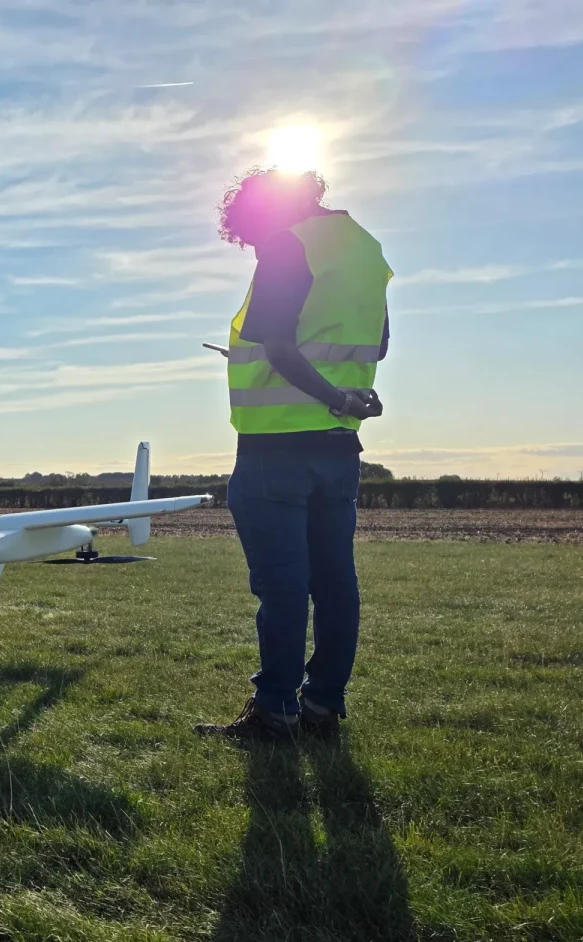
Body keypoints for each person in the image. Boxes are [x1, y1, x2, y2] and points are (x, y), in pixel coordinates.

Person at [196, 168, 391, 741]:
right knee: (335, 581)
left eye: (249, 235)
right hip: (339, 448)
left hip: (275, 448)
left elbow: (276, 345)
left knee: (282, 587)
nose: (254, 248)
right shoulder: (365, 249)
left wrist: (328, 396)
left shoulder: (288, 243)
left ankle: (275, 710)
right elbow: (378, 341)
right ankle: (323, 706)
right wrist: (345, 398)